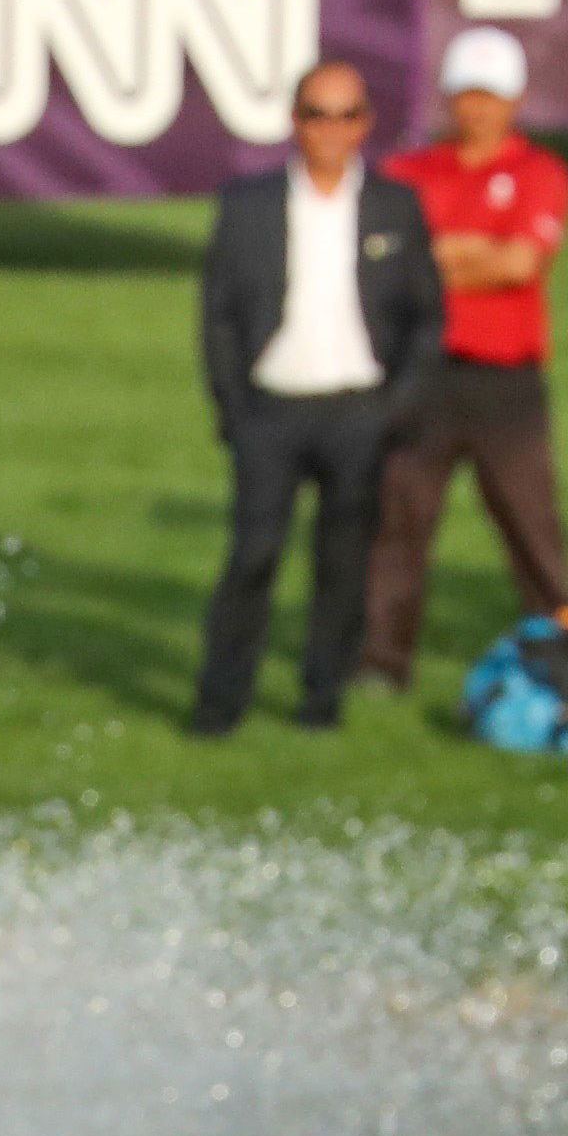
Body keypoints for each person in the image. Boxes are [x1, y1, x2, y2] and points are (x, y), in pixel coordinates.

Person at [192, 60, 442, 734]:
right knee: (253, 556)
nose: (330, 129)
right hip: (271, 409)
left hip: (357, 411)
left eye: (344, 114)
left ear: (365, 124)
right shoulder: (248, 204)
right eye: (315, 113)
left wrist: (396, 406)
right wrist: (233, 411)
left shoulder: (394, 206)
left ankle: (319, 701)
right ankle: (220, 702)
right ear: (293, 121)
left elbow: (425, 316)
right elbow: (216, 315)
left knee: (343, 564)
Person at [365, 25, 568, 690]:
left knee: (530, 526)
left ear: (513, 100)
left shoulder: (539, 172)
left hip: (503, 382)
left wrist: (435, 254)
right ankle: (379, 663)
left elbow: (518, 263)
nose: (477, 108)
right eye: (465, 94)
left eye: (490, 95)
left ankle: (563, 659)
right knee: (398, 523)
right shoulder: (407, 172)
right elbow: (381, 262)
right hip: (420, 374)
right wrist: (465, 252)